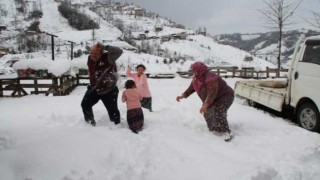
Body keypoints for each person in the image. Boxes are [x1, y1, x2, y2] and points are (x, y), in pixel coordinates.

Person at [176, 61, 234, 141]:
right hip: (212, 99)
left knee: (218, 111)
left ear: (200, 70)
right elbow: (190, 89)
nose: (193, 72)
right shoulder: (196, 79)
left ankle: (226, 132)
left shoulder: (211, 78)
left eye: (194, 70)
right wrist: (183, 96)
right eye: (192, 70)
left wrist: (205, 104)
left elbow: (211, 93)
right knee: (207, 113)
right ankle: (215, 129)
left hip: (225, 96)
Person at [81, 43, 123, 126]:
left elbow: (119, 51)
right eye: (92, 53)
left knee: (112, 110)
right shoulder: (90, 58)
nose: (93, 55)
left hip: (109, 90)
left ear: (101, 53)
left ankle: (116, 126)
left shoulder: (108, 57)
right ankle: (90, 123)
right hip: (95, 88)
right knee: (85, 104)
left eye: (96, 53)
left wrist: (104, 47)